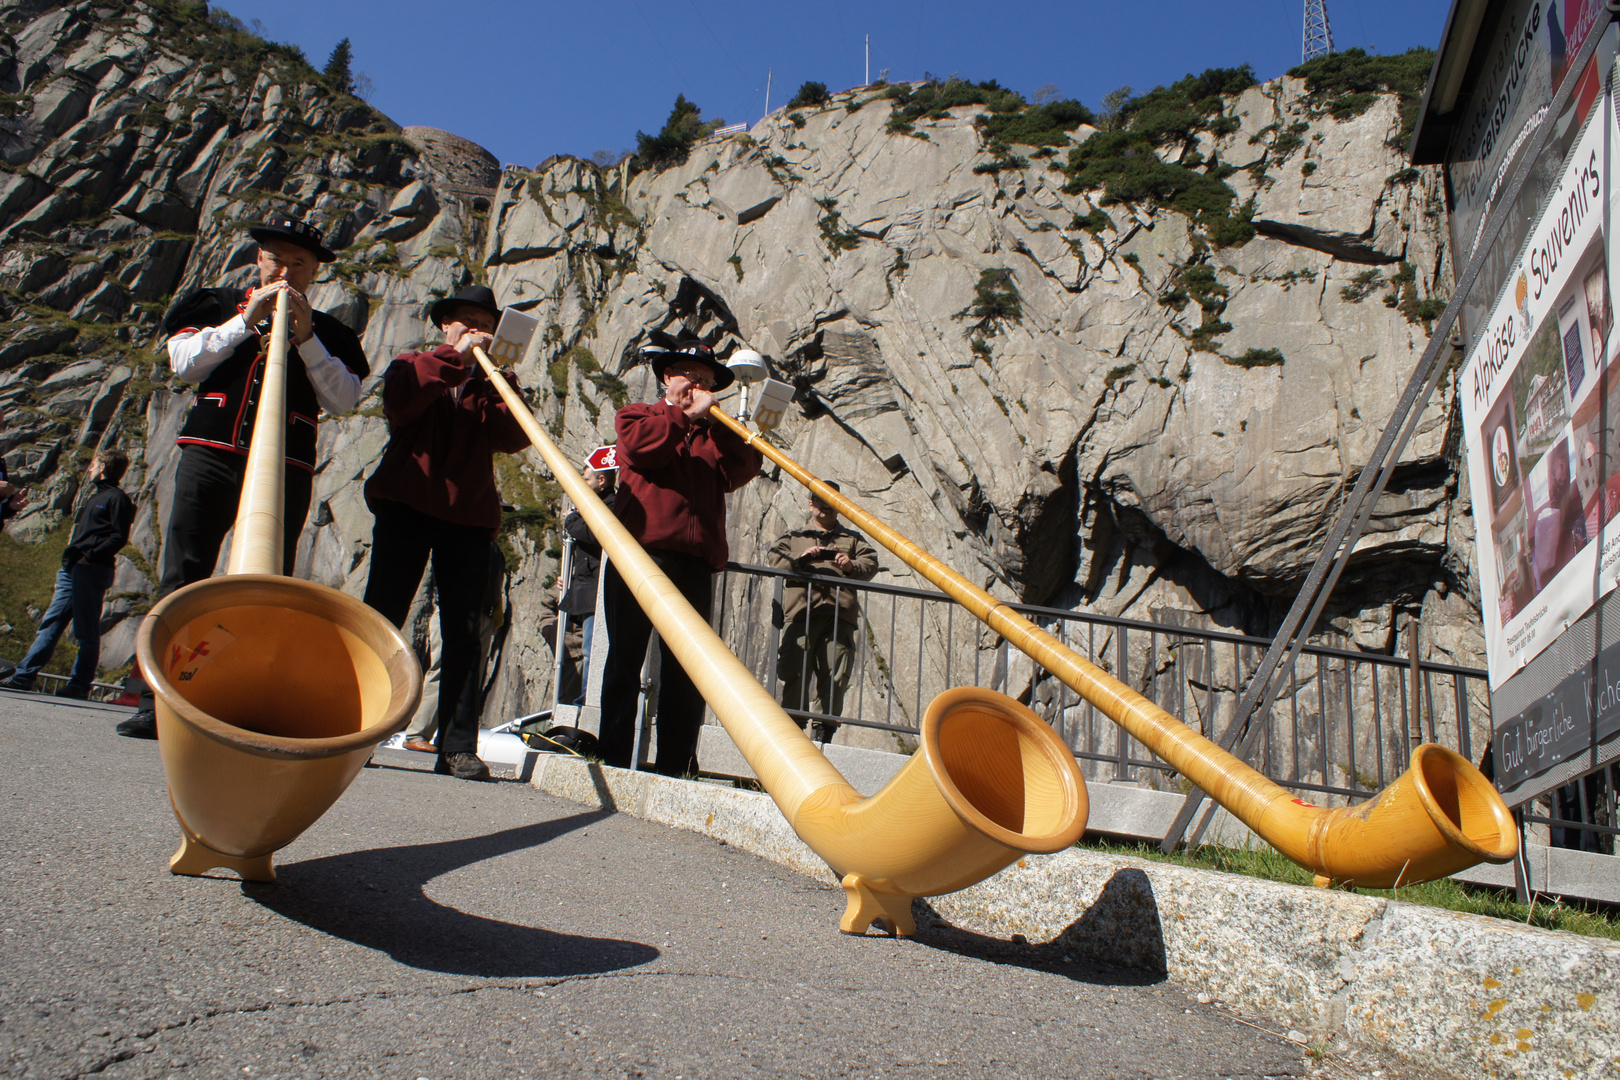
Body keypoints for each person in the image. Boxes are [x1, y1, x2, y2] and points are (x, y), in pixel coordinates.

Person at [117, 214, 370, 739]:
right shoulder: (213, 304)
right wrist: (243, 322)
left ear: (315, 271)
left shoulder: (333, 332)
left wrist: (307, 341)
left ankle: (238, 696)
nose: (287, 269)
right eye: (278, 258)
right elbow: (183, 363)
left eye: (300, 262)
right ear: (259, 259)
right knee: (183, 573)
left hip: (285, 466)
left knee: (266, 585)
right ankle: (157, 698)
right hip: (210, 454)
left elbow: (344, 400)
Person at [361, 285, 530, 781]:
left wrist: (499, 380)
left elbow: (514, 436)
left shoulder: (495, 380)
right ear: (445, 325)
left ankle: (457, 746)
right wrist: (453, 359)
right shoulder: (412, 364)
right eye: (466, 320)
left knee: (464, 633)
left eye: (485, 323)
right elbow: (400, 404)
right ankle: (359, 730)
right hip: (405, 507)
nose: (476, 330)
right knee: (382, 618)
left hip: (469, 517)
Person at [597, 331, 762, 775]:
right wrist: (676, 413)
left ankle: (677, 763)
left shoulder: (713, 435)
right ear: (667, 377)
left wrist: (726, 429)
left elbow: (743, 470)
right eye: (689, 376)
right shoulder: (638, 415)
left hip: (693, 563)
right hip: (640, 556)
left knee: (687, 669)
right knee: (625, 658)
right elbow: (641, 449)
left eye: (706, 380)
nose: (698, 386)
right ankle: (612, 754)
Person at [2, 449, 135, 698]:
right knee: (51, 623)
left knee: (86, 631)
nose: (90, 469)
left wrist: (90, 557)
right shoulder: (97, 497)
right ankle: (23, 677)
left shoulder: (117, 498)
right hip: (73, 570)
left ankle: (79, 686)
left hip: (90, 570)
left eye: (94, 465)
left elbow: (119, 536)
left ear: (104, 467)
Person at [768, 482, 879, 741]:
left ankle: (823, 732)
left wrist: (850, 565)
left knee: (835, 674)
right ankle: (792, 733)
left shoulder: (853, 540)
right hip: (800, 614)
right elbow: (774, 559)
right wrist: (800, 559)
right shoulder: (793, 537)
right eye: (820, 501)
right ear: (811, 504)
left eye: (832, 502)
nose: (825, 507)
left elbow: (871, 563)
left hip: (840, 617)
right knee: (795, 670)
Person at [559, 466, 616, 704]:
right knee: (586, 648)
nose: (582, 483)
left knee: (593, 648)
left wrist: (571, 518)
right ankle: (586, 695)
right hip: (585, 587)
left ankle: (589, 698)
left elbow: (592, 532)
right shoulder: (593, 505)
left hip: (597, 588)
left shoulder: (611, 504)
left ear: (601, 480)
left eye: (586, 479)